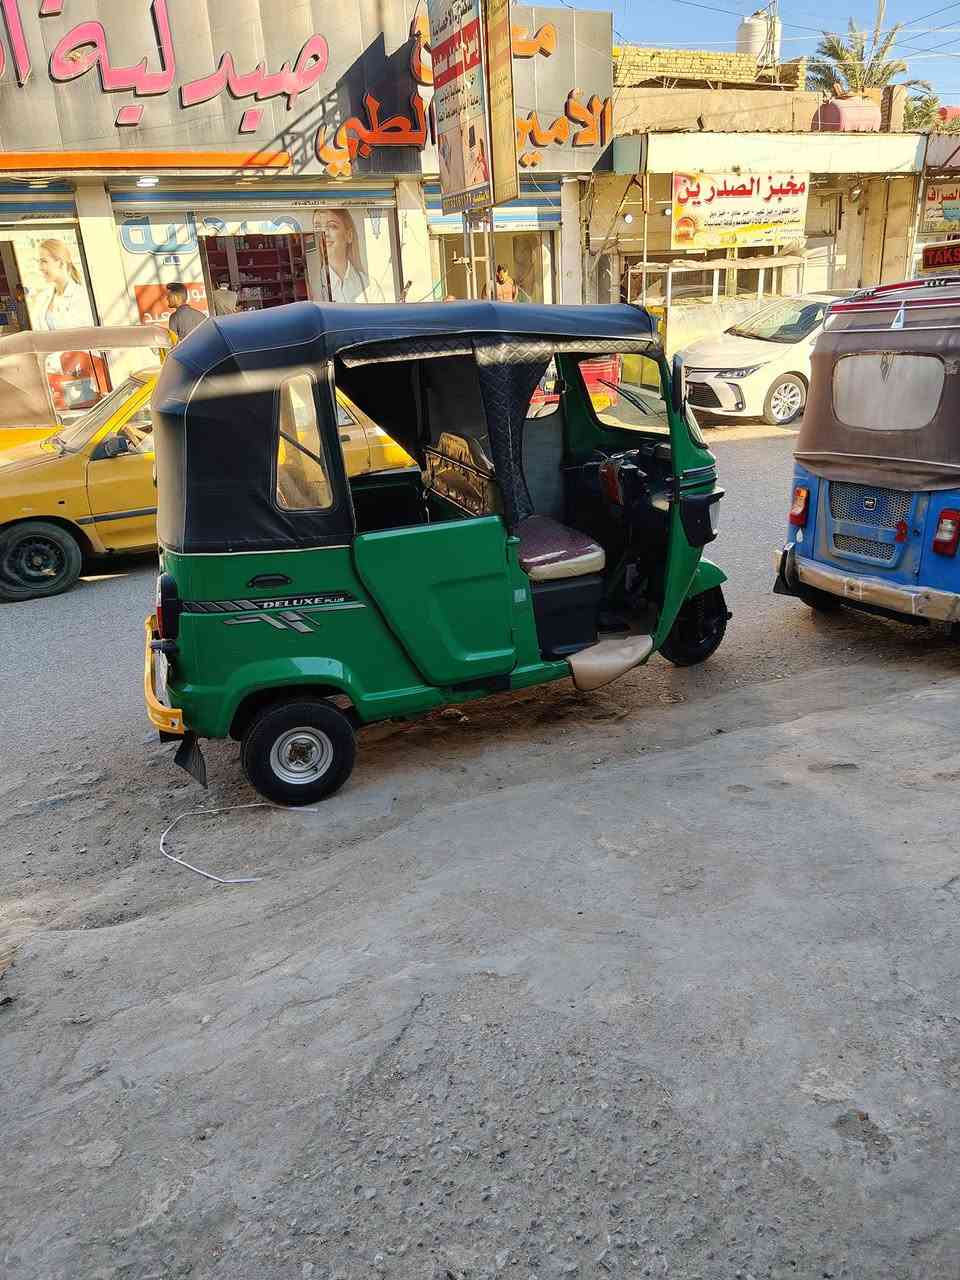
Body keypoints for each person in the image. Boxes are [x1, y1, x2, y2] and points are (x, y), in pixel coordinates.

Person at [314, 209, 384, 303]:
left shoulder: (370, 286)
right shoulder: (312, 288)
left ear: (349, 235)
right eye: (317, 228)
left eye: (332, 226)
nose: (324, 233)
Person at [36, 239, 92, 330]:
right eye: (38, 262)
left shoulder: (81, 296)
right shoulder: (44, 297)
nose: (39, 268)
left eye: (44, 261)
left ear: (61, 263)